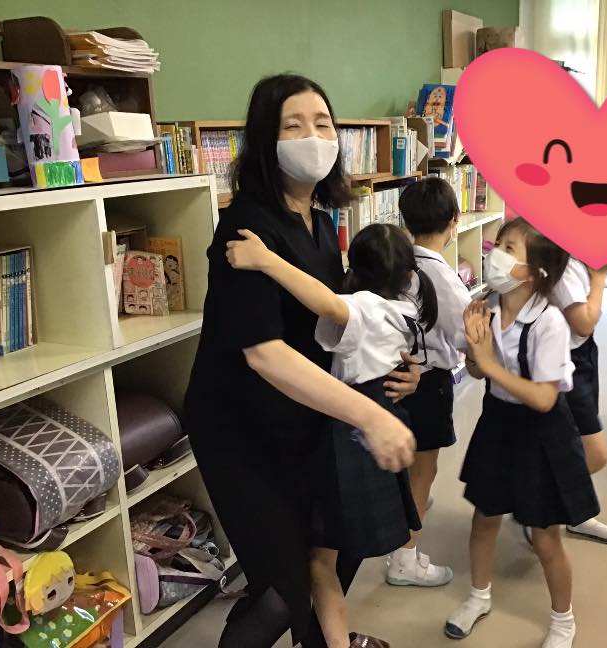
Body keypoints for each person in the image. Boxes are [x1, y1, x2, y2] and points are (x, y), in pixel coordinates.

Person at [183, 74, 420, 648]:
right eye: (293, 125)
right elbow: (265, 354)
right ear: (267, 140)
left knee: (333, 549)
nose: (313, 136)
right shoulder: (246, 228)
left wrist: (396, 367)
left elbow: (336, 318)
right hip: (240, 430)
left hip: (304, 420)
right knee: (279, 591)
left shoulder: (318, 220)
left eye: (323, 123)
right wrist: (371, 417)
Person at [226, 221, 435, 647]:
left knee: (321, 562)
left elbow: (328, 304)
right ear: (407, 276)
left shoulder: (368, 307)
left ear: (353, 269)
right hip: (378, 419)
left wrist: (266, 260)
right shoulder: (406, 309)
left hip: (350, 432)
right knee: (335, 554)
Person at [445, 218, 599, 648]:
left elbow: (544, 399)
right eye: (500, 243)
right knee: (484, 518)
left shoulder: (549, 322)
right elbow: (479, 372)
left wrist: (487, 363)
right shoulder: (488, 308)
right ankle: (479, 596)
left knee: (545, 536)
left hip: (542, 432)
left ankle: (563, 620)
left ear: (534, 273)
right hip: (498, 421)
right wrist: (475, 353)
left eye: (509, 248)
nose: (495, 251)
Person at [384, 177, 467, 588]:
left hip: (395, 376)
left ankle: (409, 510)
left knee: (408, 458)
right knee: (424, 467)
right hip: (428, 381)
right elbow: (467, 334)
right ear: (454, 221)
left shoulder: (395, 262)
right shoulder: (440, 275)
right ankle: (405, 558)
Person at [523, 258, 607, 546]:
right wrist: (600, 278)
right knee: (593, 451)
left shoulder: (578, 258)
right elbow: (584, 324)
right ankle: (538, 507)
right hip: (562, 359)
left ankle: (574, 513)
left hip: (580, 353)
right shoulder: (563, 263)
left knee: (576, 441)